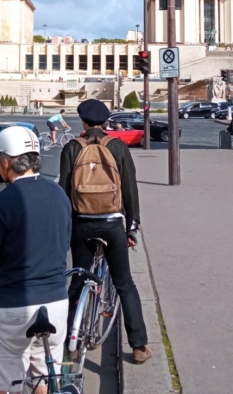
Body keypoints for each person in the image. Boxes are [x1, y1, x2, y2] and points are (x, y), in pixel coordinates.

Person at [0, 125, 71, 394]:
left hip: (16, 305)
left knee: (1, 383)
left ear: (6, 161)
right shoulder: (59, 194)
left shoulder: (3, 202)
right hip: (56, 303)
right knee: (42, 376)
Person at [59, 99, 151, 365]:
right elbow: (130, 190)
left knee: (78, 280)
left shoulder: (72, 148)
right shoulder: (118, 147)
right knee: (125, 284)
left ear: (83, 122)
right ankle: (139, 346)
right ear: (106, 122)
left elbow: (65, 192)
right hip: (112, 224)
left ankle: (68, 337)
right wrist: (132, 225)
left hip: (81, 223)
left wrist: (68, 227)